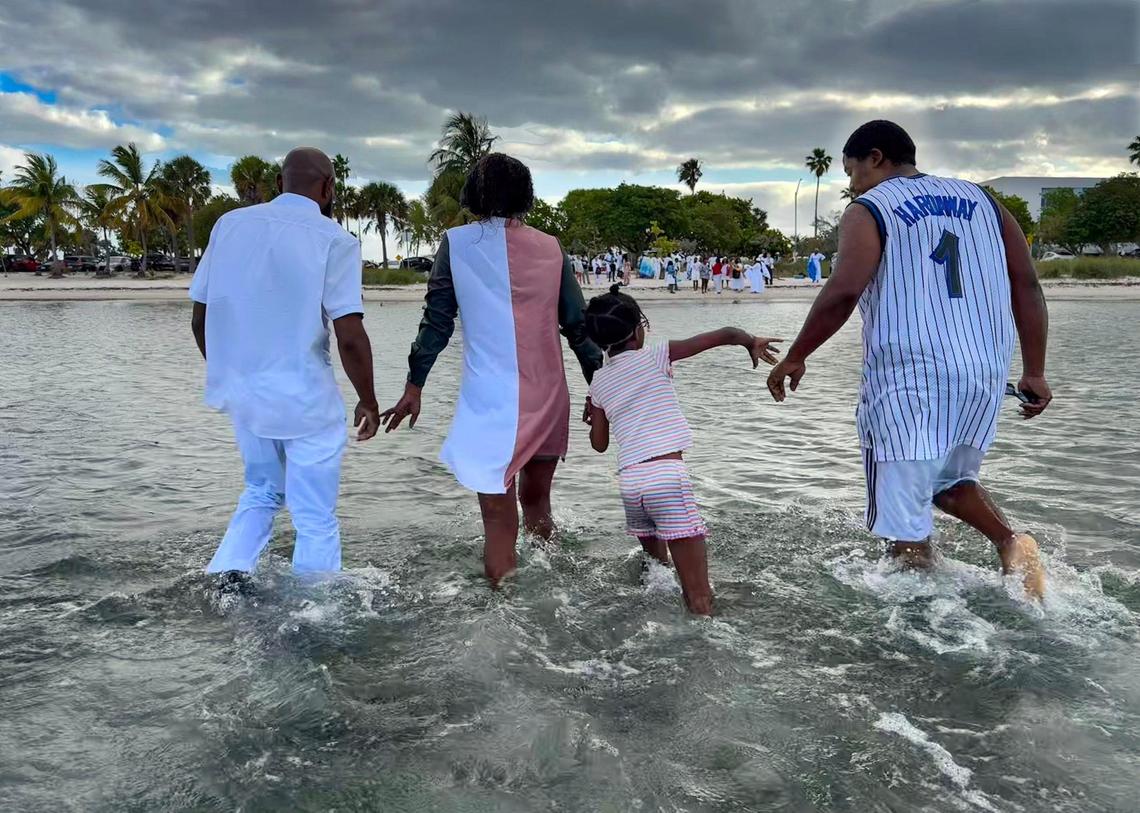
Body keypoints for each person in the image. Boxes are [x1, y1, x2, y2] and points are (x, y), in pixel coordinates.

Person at [767, 120, 1051, 598]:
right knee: (949, 479)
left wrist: (796, 355)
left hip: (909, 374)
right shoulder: (986, 202)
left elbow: (844, 289)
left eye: (852, 171)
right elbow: (1027, 285)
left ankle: (920, 620)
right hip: (982, 371)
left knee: (906, 536)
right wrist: (1036, 370)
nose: (850, 183)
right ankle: (1011, 543)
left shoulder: (869, 208)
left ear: (876, 158)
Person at [381, 153, 603, 584]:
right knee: (538, 504)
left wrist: (414, 385)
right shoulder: (553, 247)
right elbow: (578, 326)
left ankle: (503, 617)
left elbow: (437, 321)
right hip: (547, 394)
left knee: (499, 522)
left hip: (491, 403)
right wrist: (603, 388)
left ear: (473, 195)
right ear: (526, 194)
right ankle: (554, 592)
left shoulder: (456, 242)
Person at [189, 147, 378, 576]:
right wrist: (368, 400)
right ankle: (314, 609)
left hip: (245, 396)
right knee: (314, 517)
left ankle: (223, 578)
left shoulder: (229, 226)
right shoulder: (336, 240)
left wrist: (231, 375)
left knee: (260, 493)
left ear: (279, 184)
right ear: (328, 188)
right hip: (305, 400)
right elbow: (349, 336)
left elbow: (201, 320)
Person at [584, 284, 782, 614]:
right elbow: (725, 334)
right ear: (638, 331)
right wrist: (751, 341)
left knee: (658, 577)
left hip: (631, 486)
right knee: (699, 595)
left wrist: (594, 411)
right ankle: (704, 654)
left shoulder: (598, 382)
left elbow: (600, 445)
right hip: (665, 477)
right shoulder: (658, 355)